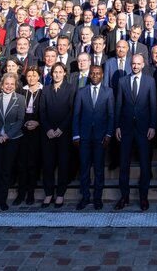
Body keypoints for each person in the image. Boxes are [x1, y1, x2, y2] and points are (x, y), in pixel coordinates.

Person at [115, 54, 157, 210]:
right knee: (124, 164)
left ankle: (143, 197)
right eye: (133, 64)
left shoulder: (150, 81)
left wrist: (153, 126)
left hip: (144, 129)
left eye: (138, 64)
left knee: (145, 165)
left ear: (143, 64)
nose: (135, 66)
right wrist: (117, 126)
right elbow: (118, 104)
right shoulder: (122, 81)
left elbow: (153, 105)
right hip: (125, 128)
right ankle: (124, 197)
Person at [72, 64, 114, 210]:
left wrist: (109, 133)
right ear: (89, 75)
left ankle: (97, 198)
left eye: (98, 73)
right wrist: (76, 135)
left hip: (101, 137)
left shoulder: (108, 92)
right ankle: (85, 197)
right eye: (93, 73)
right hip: (83, 137)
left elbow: (111, 115)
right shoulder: (81, 92)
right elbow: (76, 114)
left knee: (98, 169)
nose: (95, 75)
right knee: (84, 168)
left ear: (102, 75)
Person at [38, 61, 75, 208]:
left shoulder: (71, 89)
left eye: (60, 71)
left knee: (63, 164)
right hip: (48, 133)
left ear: (65, 73)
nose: (57, 74)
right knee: (48, 164)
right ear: (51, 74)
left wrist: (61, 128)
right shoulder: (45, 90)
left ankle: (60, 194)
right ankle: (48, 193)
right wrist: (48, 129)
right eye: (55, 72)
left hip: (63, 133)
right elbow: (42, 111)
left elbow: (72, 110)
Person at [0, 72, 25, 211]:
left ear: (15, 86)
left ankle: (2, 201)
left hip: (12, 139)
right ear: (1, 85)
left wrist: (7, 135)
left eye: (12, 84)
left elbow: (20, 120)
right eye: (6, 83)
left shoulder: (20, 99)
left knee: (6, 170)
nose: (9, 86)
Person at [14, 66, 43, 206]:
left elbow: (45, 111)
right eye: (29, 76)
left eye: (34, 75)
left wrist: (37, 122)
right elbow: (17, 111)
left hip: (38, 130)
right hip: (23, 130)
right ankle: (21, 193)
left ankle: (30, 193)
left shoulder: (44, 91)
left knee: (32, 163)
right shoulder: (21, 91)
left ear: (39, 76)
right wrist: (25, 122)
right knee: (21, 163)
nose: (31, 78)